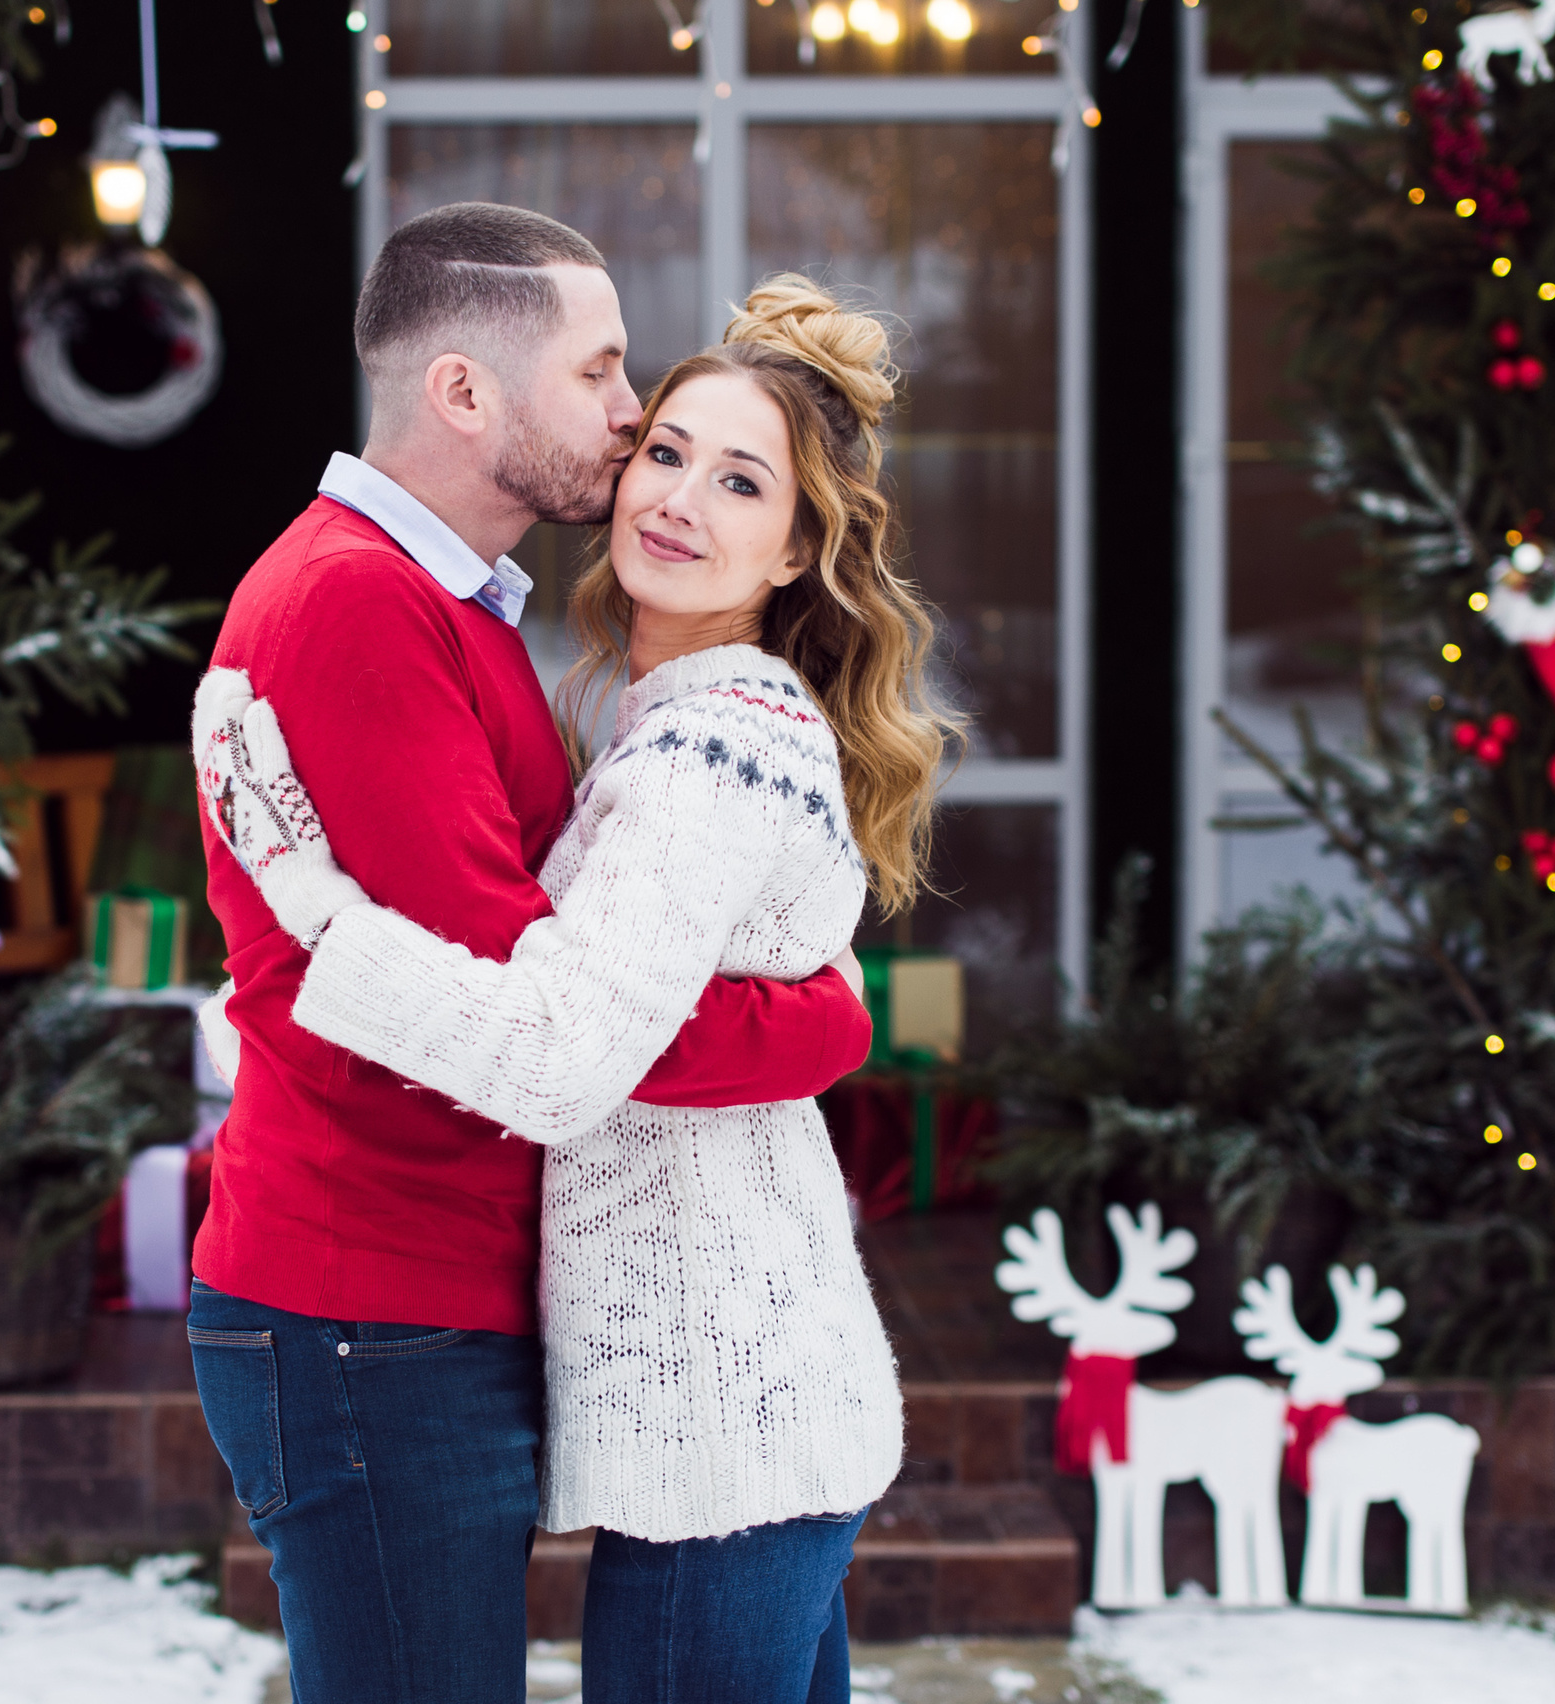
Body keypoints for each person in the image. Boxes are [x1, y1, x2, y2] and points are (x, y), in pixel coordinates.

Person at [198, 274, 957, 1704]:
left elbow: (561, 1051)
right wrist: (821, 1014)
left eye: (741, 483)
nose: (672, 491)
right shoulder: (650, 720)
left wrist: (311, 915)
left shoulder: (708, 745)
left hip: (724, 1424)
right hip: (735, 1411)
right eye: (665, 448)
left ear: (798, 551)